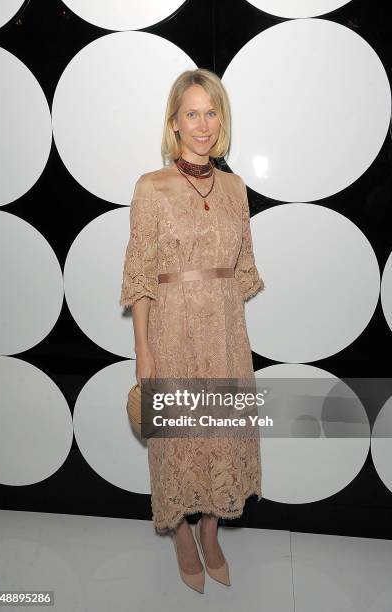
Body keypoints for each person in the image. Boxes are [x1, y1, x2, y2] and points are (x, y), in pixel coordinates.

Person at [119, 68, 264, 593]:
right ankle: (181, 531)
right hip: (171, 333)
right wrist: (144, 351)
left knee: (222, 437)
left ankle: (211, 529)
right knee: (177, 441)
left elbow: (242, 271)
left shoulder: (235, 188)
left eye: (211, 112)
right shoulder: (151, 188)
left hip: (225, 336)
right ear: (174, 123)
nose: (202, 124)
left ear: (220, 119)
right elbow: (139, 275)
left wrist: (224, 327)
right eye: (191, 113)